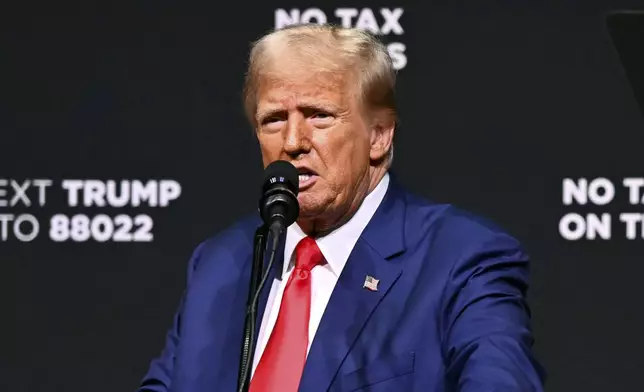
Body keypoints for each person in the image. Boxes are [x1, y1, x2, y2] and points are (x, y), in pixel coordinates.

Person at [138, 24, 545, 392]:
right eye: (274, 120)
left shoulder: (461, 258)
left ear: (379, 135)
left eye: (319, 115)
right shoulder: (219, 263)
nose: (293, 141)